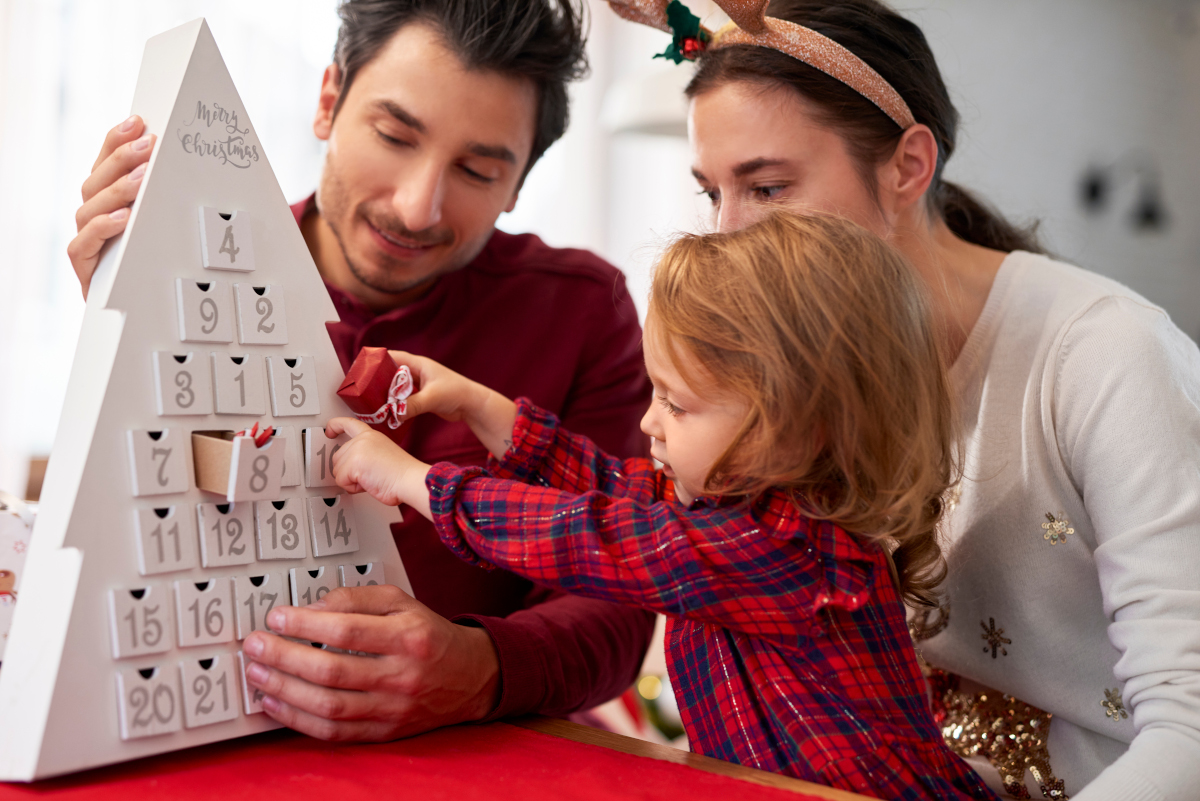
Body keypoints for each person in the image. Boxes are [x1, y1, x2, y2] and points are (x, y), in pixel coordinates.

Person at [604, 0, 1200, 797]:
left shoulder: (1104, 353)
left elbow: (1189, 723)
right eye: (712, 193)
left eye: (769, 187)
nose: (728, 234)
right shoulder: (794, 378)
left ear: (908, 167)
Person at [69, 0, 655, 741]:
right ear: (328, 102)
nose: (417, 209)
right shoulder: (191, 271)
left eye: (477, 170)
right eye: (394, 136)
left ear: (517, 185)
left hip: (471, 756)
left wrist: (483, 667)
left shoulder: (582, 311)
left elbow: (623, 593)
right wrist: (120, 334)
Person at [317, 212, 998, 799]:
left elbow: (590, 535)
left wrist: (414, 481)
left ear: (796, 428)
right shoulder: (736, 506)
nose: (650, 421)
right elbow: (608, 487)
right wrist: (478, 406)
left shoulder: (786, 547)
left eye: (678, 403)